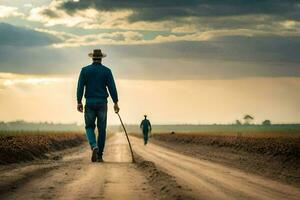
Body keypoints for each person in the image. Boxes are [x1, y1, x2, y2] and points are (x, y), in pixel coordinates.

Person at [77, 49, 120, 162]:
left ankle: (94, 145)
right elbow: (112, 88)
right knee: (102, 130)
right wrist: (115, 102)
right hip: (102, 104)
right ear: (101, 58)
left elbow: (80, 87)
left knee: (89, 127)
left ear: (92, 58)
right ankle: (100, 155)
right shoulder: (107, 71)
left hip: (90, 103)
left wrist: (79, 101)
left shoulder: (85, 71)